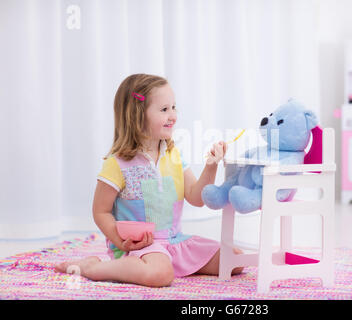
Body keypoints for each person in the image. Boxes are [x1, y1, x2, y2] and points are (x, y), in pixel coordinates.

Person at [55, 74, 243, 287]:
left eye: (174, 107)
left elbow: (196, 197)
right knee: (161, 274)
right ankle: (92, 267)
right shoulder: (117, 163)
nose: (173, 115)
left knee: (234, 259)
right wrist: (121, 242)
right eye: (164, 110)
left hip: (174, 243)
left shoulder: (174, 156)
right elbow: (100, 211)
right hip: (140, 248)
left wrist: (211, 165)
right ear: (137, 116)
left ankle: (164, 265)